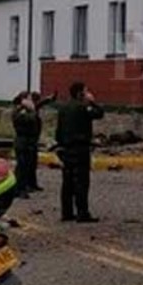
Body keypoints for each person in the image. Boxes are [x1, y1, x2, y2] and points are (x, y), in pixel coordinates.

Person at [54, 81, 104, 222]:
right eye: (85, 91)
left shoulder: (63, 108)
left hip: (66, 149)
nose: (88, 93)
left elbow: (58, 131)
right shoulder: (84, 107)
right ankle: (82, 213)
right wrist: (92, 102)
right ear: (80, 93)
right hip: (80, 149)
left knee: (67, 182)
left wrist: (60, 144)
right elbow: (99, 114)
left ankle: (67, 212)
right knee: (81, 182)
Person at [12, 92, 41, 198]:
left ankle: (26, 186)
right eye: (28, 98)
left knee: (28, 165)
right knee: (22, 167)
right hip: (22, 142)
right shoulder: (20, 111)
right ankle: (18, 189)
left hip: (29, 142)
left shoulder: (26, 110)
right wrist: (32, 110)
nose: (31, 101)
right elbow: (29, 119)